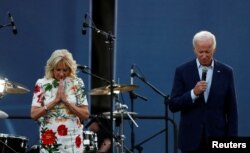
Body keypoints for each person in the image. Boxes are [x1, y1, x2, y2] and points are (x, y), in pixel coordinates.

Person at [169, 31, 238, 153]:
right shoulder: (182, 71)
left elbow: (232, 111)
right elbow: (173, 105)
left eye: (208, 51)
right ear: (194, 49)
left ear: (214, 49)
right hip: (190, 139)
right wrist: (193, 93)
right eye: (201, 52)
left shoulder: (226, 72)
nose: (204, 55)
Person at [31, 49, 89, 153]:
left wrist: (66, 102)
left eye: (65, 70)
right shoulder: (41, 83)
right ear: (52, 69)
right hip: (50, 138)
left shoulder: (78, 83)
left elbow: (85, 114)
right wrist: (55, 101)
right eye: (58, 70)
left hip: (73, 138)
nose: (61, 74)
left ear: (70, 69)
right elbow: (34, 114)